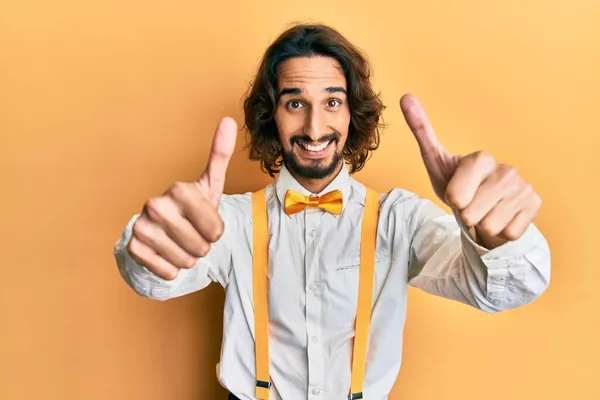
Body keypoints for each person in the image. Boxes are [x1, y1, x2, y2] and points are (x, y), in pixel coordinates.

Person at [114, 23, 551, 400]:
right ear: (272, 116)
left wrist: (495, 233)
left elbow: (502, 291)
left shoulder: (399, 220)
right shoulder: (230, 221)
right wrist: (152, 249)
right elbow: (151, 281)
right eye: (295, 103)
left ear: (352, 114)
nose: (314, 128)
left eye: (332, 102)